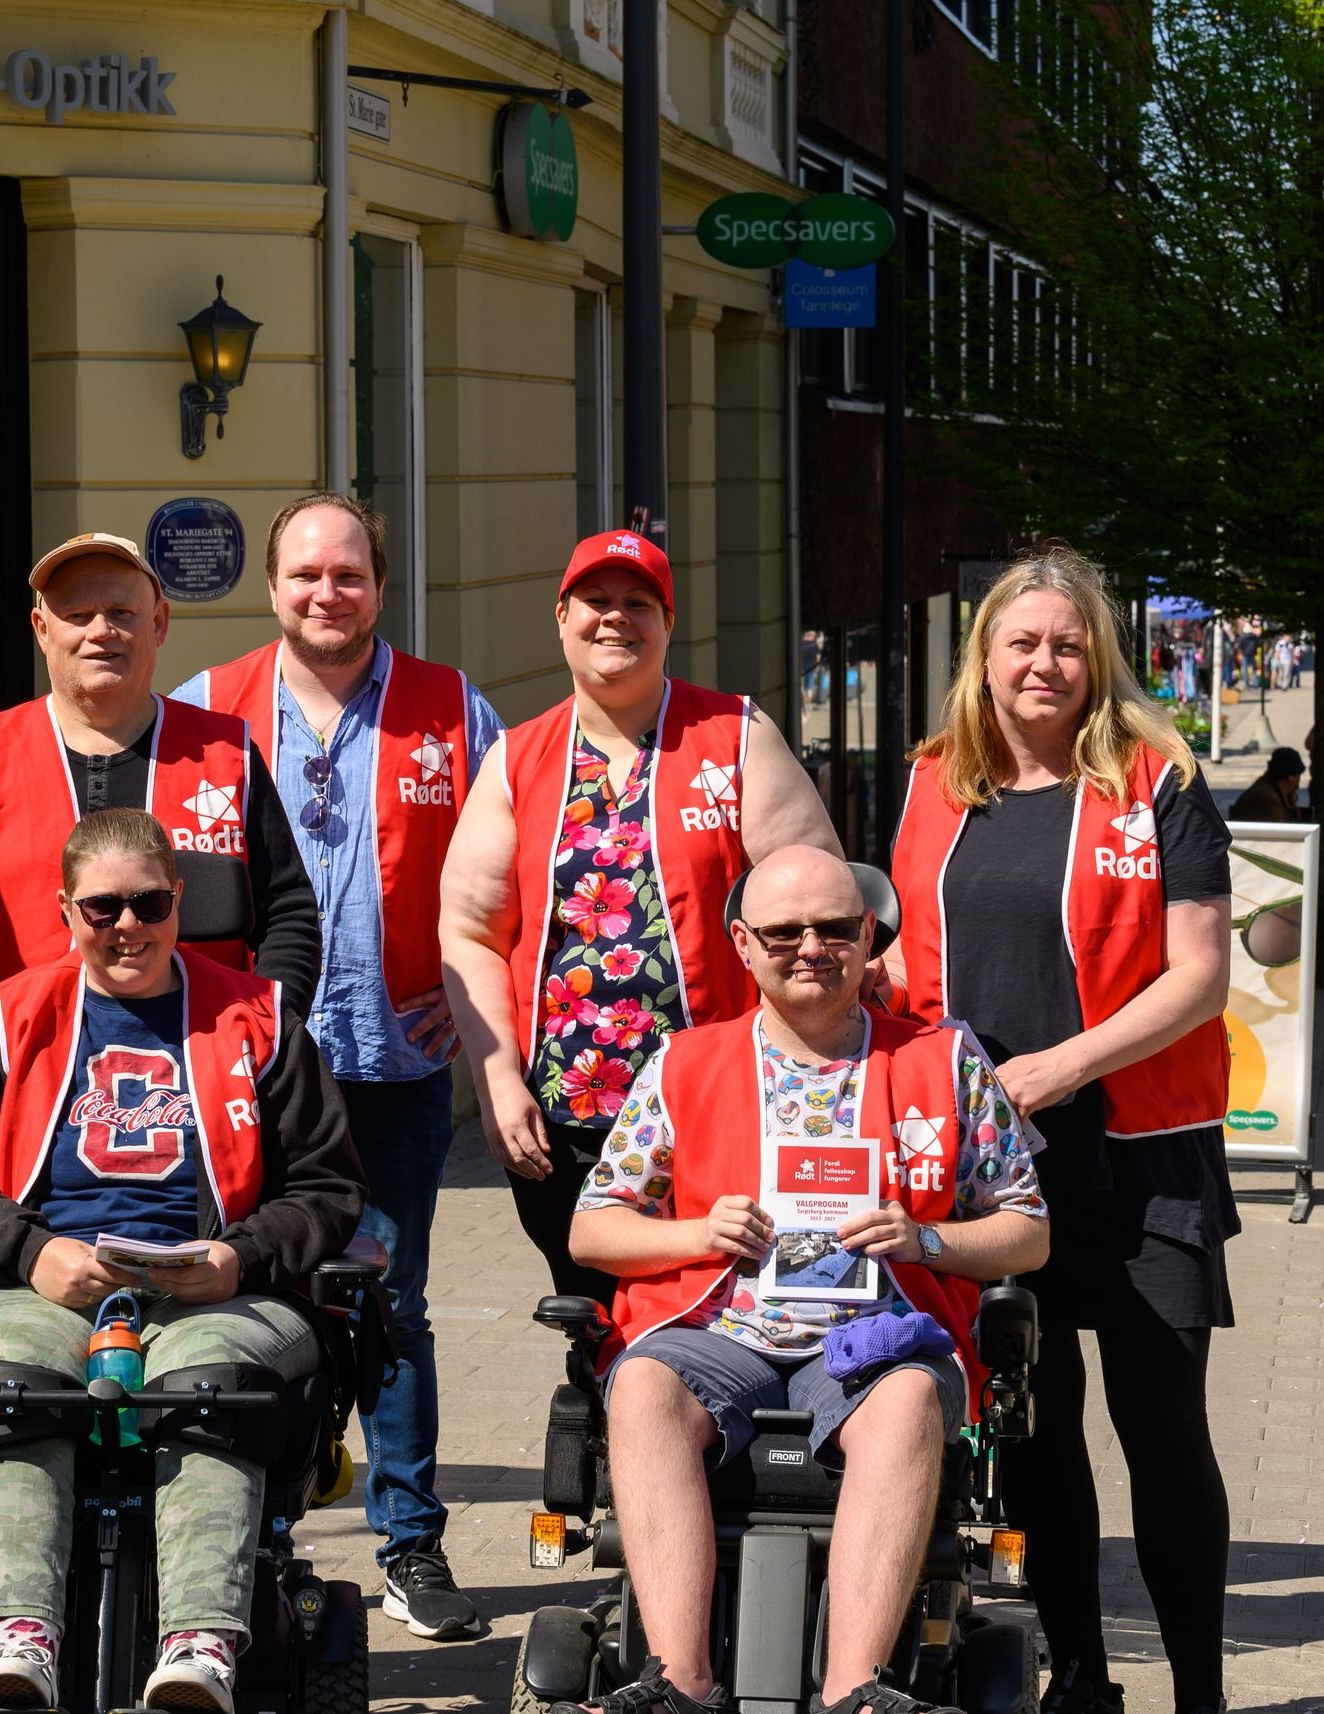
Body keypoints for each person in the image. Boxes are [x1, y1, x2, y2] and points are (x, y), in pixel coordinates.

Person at [0, 810, 364, 1713]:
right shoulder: (7, 1017)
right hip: (42, 1285)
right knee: (10, 1378)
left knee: (208, 1385)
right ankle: (19, 1638)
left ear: (179, 901)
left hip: (220, 1292)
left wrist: (239, 1257)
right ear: (66, 911)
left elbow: (330, 1186)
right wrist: (29, 1250)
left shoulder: (259, 1018)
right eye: (103, 908)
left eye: (149, 903)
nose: (127, 925)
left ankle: (200, 1645)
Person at [560, 846, 1049, 1714]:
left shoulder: (944, 1060)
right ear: (744, 944)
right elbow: (592, 1229)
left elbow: (1029, 1231)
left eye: (834, 928)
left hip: (876, 1340)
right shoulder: (683, 1064)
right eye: (784, 932)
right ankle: (679, 1684)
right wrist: (695, 1233)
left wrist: (926, 1240)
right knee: (639, 1387)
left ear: (868, 936)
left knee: (906, 1401)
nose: (811, 948)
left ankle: (854, 1690)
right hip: (719, 1332)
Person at [885, 547, 1235, 1714]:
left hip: (1139, 1155)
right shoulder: (932, 780)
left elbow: (1197, 975)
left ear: (1098, 659)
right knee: (1032, 1431)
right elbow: (912, 957)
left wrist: (1060, 1066)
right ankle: (1079, 1674)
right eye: (1021, 642)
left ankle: (1197, 1692)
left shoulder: (1156, 779)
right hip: (993, 1169)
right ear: (981, 658)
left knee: (1162, 1429)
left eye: (1066, 644)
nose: (1043, 663)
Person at [172, 491, 504, 1640]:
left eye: (348, 573)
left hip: (394, 1057)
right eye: (306, 574)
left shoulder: (451, 708)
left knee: (389, 1300)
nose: (327, 592)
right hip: (245, 1072)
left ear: (377, 586)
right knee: (252, 1293)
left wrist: (472, 993)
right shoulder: (202, 711)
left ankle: (409, 1542)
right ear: (272, 587)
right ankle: (257, 1538)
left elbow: (507, 870)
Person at [439, 529, 840, 1307]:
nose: (615, 617)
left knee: (718, 1311)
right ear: (562, 617)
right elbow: (471, 930)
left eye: (638, 603)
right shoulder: (517, 759)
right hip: (567, 1119)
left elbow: (819, 908)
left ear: (667, 623)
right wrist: (495, 1080)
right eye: (595, 600)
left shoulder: (735, 736)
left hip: (721, 1105)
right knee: (591, 1315)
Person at [0, 532, 319, 1045]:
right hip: (27, 1070)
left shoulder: (227, 753)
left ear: (158, 623)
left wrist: (261, 1038)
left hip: (203, 1072)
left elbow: (289, 915)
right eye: (77, 615)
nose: (100, 631)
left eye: (121, 612)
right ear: (41, 629)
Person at [1228, 745, 1305, 822]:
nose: (1299, 780)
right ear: (1291, 777)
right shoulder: (1268, 802)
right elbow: (1276, 828)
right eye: (1298, 775)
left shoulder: (1277, 793)